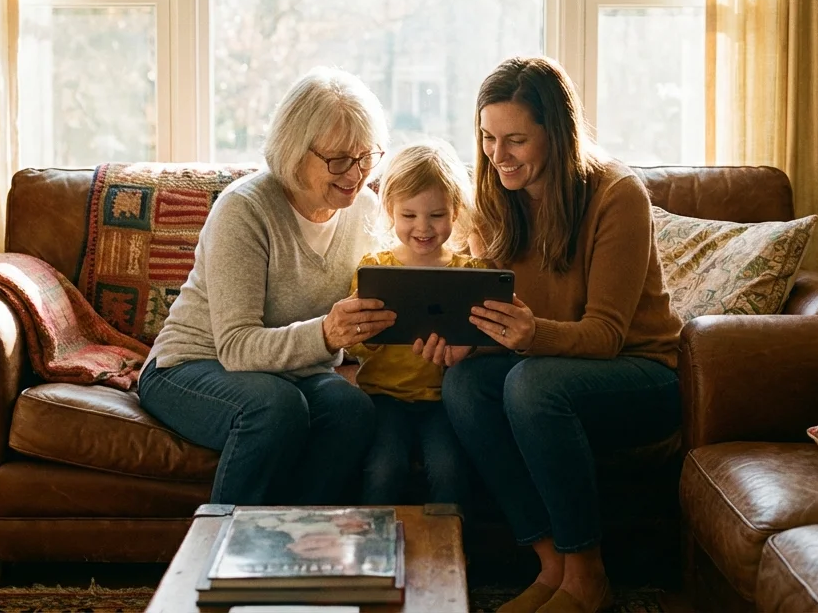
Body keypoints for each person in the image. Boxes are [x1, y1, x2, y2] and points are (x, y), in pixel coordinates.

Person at [417, 57, 684, 613]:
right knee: (465, 383)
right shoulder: (495, 197)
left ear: (556, 135)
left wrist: (526, 336)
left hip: (640, 376)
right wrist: (471, 339)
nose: (498, 156)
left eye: (515, 139)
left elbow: (606, 335)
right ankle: (551, 565)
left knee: (532, 385)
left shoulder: (617, 196)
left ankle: (588, 576)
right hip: (547, 367)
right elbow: (509, 327)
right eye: (488, 138)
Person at [138, 67, 398, 506]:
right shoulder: (244, 209)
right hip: (190, 365)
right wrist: (326, 334)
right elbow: (237, 347)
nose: (355, 174)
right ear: (295, 152)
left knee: (351, 409)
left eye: (365, 157)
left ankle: (302, 545)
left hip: (290, 373)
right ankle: (218, 562)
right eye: (338, 159)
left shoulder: (364, 209)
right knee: (275, 408)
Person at [344, 141, 486, 511]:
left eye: (436, 215)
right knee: (383, 470)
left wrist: (467, 349)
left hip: (442, 402)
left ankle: (450, 556)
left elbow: (484, 341)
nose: (422, 228)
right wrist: (369, 340)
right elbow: (354, 343)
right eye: (409, 216)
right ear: (390, 210)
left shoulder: (469, 273)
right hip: (383, 397)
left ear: (455, 212)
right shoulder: (374, 268)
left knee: (449, 470)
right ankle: (371, 553)